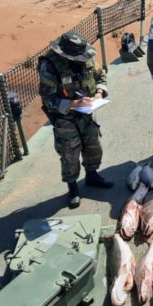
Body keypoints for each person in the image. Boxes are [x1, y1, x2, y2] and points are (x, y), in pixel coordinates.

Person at [38, 31, 114, 209]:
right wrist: (73, 103)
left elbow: (100, 76)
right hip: (64, 118)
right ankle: (72, 188)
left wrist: (99, 93)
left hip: (87, 111)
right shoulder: (49, 67)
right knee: (69, 153)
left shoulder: (87, 59)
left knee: (93, 145)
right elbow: (48, 100)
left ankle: (92, 175)